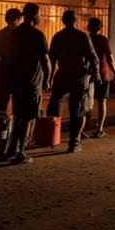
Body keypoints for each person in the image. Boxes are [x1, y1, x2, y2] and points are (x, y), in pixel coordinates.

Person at [46, 10, 100, 153]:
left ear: (63, 21)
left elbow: (52, 60)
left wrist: (48, 78)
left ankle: (52, 137)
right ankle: (74, 141)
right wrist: (96, 74)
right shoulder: (82, 36)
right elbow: (93, 57)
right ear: (76, 20)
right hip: (79, 77)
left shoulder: (58, 36)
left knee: (55, 106)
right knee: (77, 109)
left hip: (62, 75)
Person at [5, 3, 51, 165]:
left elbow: (8, 57)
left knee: (17, 114)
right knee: (27, 116)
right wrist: (47, 79)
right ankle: (20, 152)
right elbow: (45, 60)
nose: (40, 17)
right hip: (31, 83)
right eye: (39, 14)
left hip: (16, 80)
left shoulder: (14, 34)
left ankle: (13, 147)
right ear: (34, 15)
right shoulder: (37, 35)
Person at [87, 17, 115, 139]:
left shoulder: (86, 39)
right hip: (102, 74)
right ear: (100, 28)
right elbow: (110, 58)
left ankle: (84, 128)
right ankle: (99, 129)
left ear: (89, 27)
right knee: (102, 101)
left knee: (88, 102)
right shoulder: (103, 40)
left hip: (88, 74)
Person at [0, 8, 22, 112]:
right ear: (18, 19)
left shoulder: (0, 34)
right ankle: (15, 122)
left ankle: (0, 121)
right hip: (18, 73)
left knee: (0, 106)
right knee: (18, 106)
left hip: (3, 72)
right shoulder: (22, 34)